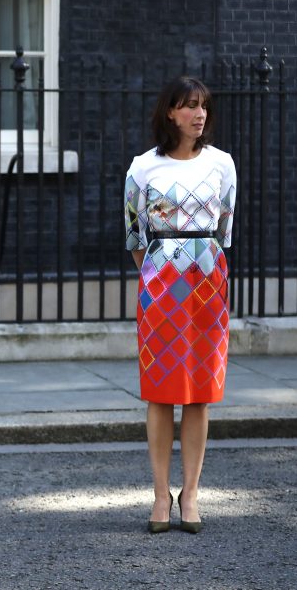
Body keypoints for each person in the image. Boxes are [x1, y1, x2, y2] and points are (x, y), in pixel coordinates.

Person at [124, 76, 236, 535]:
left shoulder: (224, 164)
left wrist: (199, 265)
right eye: (189, 106)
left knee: (200, 393)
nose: (199, 114)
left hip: (210, 283)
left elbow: (225, 229)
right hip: (160, 286)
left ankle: (190, 493)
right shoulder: (142, 168)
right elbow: (134, 236)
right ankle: (158, 495)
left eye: (203, 106)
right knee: (159, 391)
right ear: (170, 112)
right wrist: (160, 271)